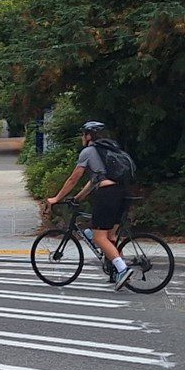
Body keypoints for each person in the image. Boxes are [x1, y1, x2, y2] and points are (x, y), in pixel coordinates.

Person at [46, 120, 137, 290]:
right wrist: (78, 198)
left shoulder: (88, 151)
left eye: (83, 134)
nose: (82, 137)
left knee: (99, 237)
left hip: (107, 195)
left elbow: (74, 178)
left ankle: (123, 270)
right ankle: (118, 272)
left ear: (89, 136)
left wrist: (56, 198)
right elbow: (94, 180)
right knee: (111, 237)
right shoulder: (110, 150)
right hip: (122, 193)